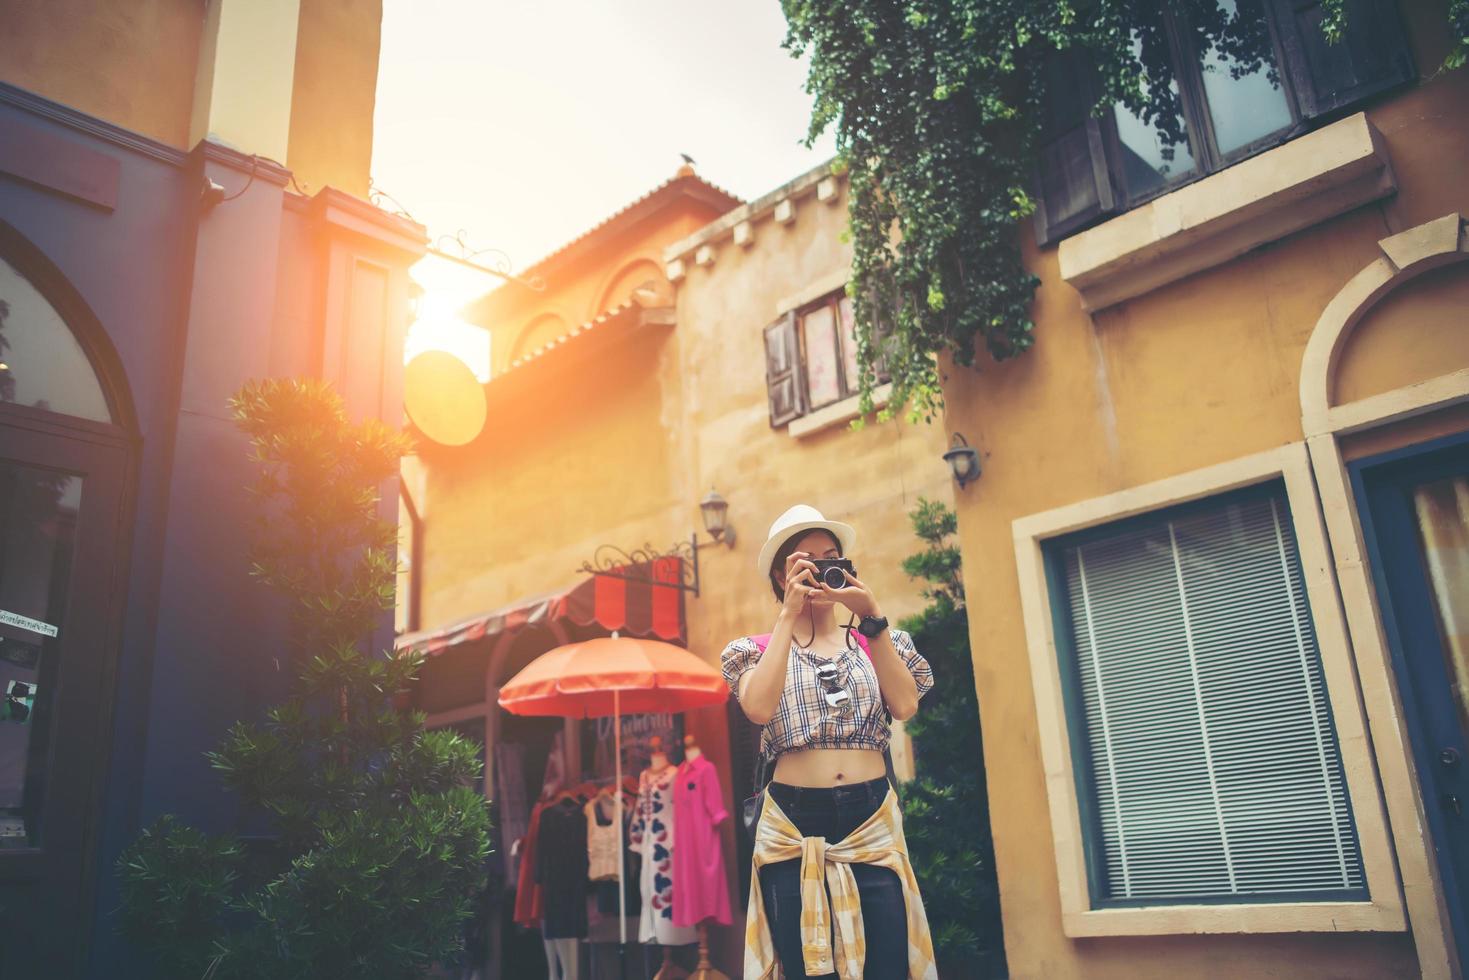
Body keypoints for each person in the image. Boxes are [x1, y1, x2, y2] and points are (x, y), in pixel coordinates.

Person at [721, 504, 936, 980]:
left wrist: (871, 616)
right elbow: (757, 708)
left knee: (887, 965)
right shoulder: (751, 650)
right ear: (781, 575)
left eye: (831, 557)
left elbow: (904, 705)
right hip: (793, 821)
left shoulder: (878, 640)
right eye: (805, 561)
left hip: (871, 817)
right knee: (807, 969)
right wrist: (787, 616)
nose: (821, 569)